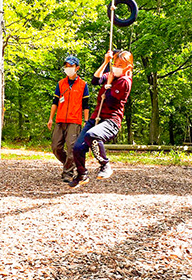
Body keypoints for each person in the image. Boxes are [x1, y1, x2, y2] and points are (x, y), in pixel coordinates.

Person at [69, 50, 133, 188]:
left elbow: (109, 100)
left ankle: (105, 165)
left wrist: (109, 84)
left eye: (120, 64)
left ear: (128, 67)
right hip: (96, 117)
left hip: (111, 121)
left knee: (93, 135)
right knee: (77, 148)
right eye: (115, 63)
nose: (116, 66)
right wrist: (105, 62)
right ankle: (81, 174)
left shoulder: (125, 81)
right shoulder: (110, 75)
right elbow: (95, 80)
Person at [47, 56, 90, 182]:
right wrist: (51, 118)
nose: (68, 68)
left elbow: (86, 105)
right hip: (60, 120)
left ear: (77, 68)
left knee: (72, 148)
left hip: (74, 121)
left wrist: (87, 121)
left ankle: (68, 173)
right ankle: (70, 164)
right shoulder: (61, 84)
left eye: (71, 66)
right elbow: (55, 102)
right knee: (56, 147)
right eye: (66, 66)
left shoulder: (83, 85)